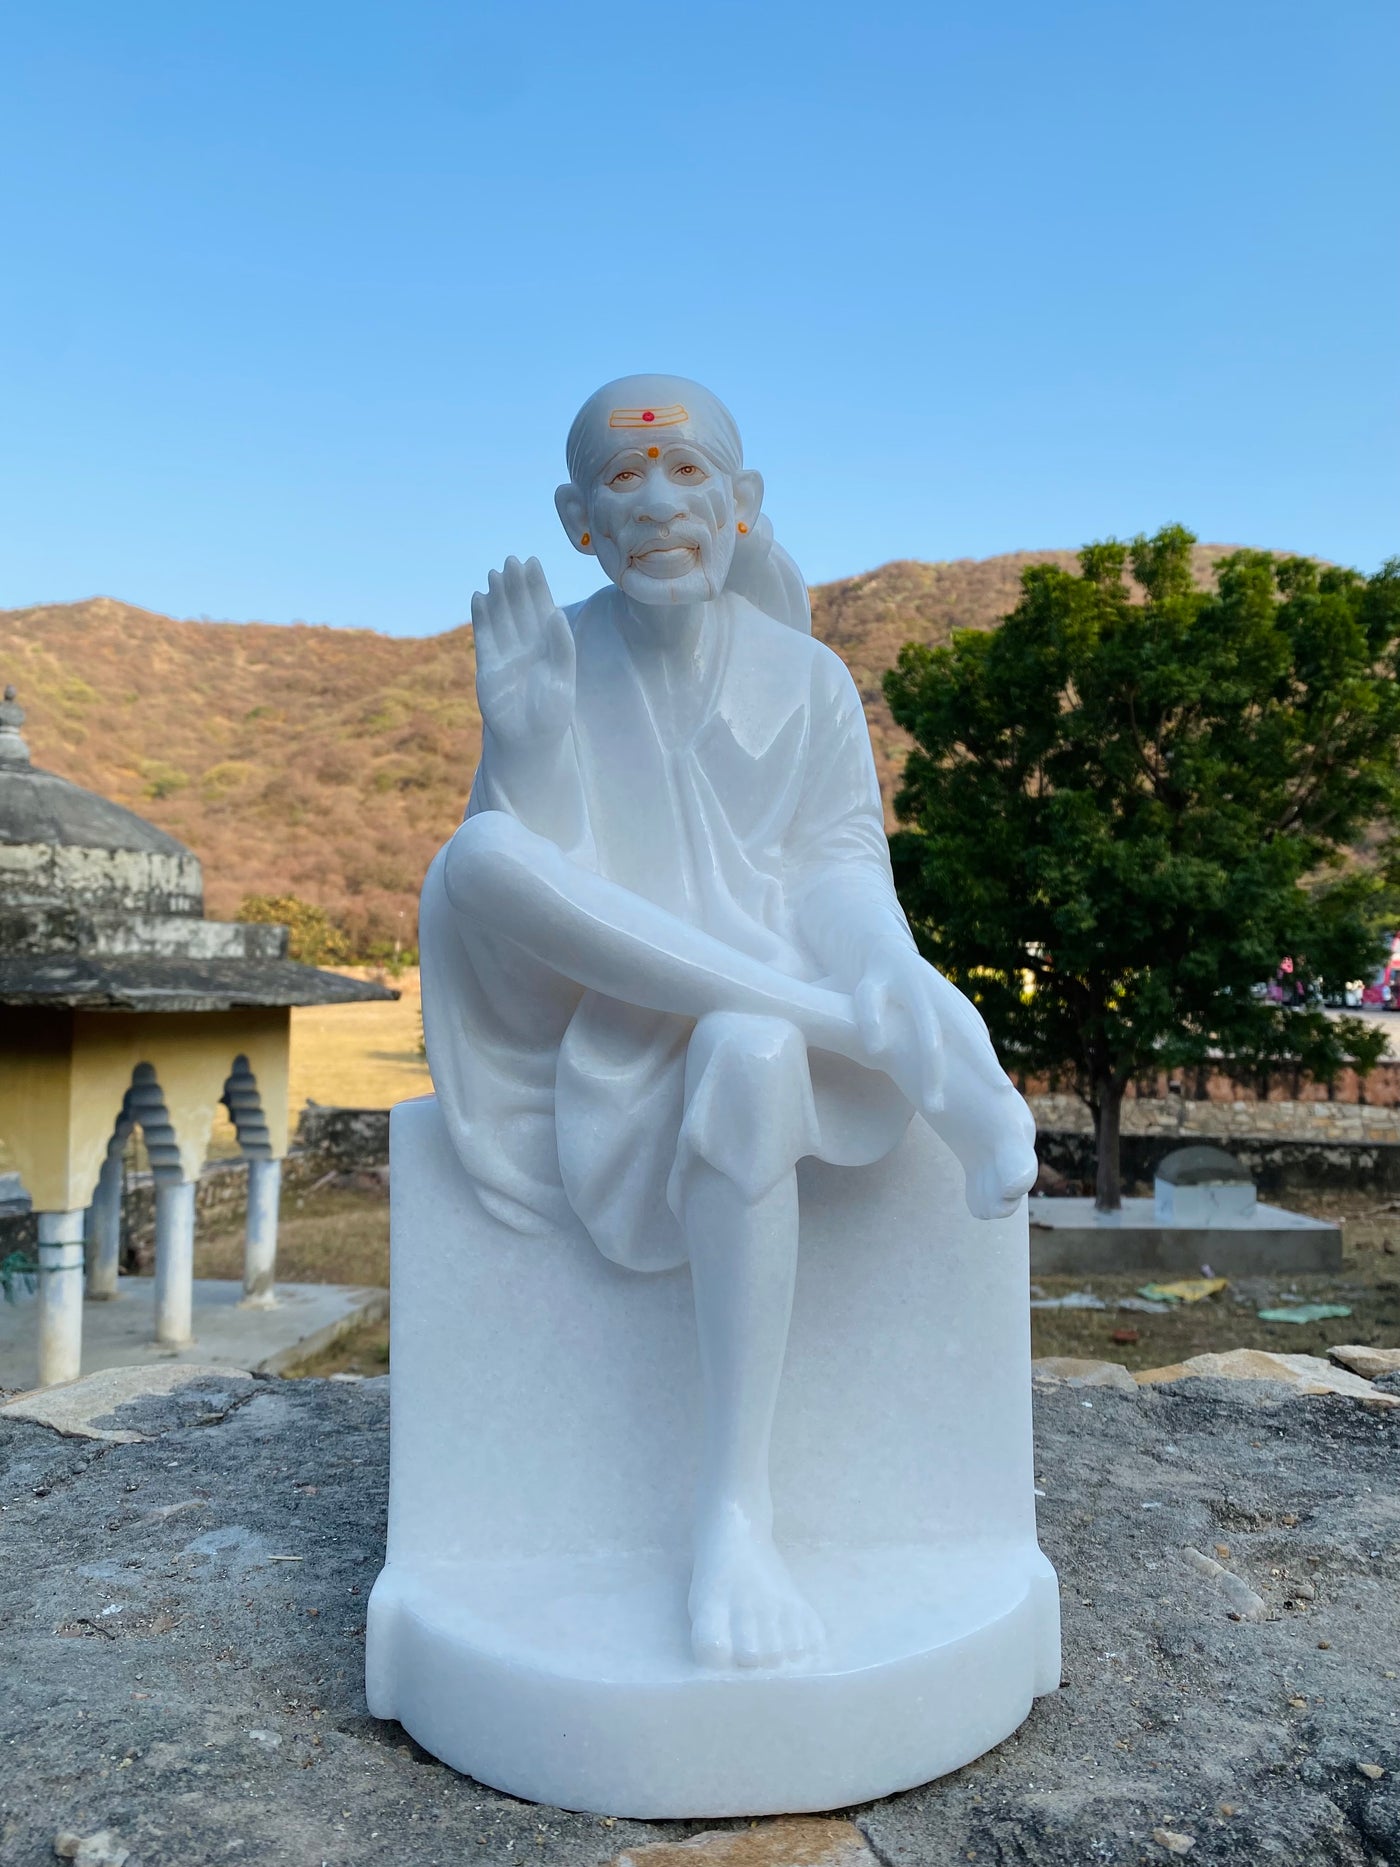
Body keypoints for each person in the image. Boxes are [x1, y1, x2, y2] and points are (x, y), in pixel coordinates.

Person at [420, 374, 1038, 1669]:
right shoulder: (558, 658)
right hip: (609, 1031)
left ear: (741, 504)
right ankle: (833, 1024)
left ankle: (734, 1515)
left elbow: (838, 877)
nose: (657, 504)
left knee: (750, 1051)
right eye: (623, 479)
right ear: (576, 517)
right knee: (477, 858)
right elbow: (544, 900)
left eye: (687, 472)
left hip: (776, 1042)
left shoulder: (805, 681)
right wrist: (528, 748)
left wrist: (895, 983)